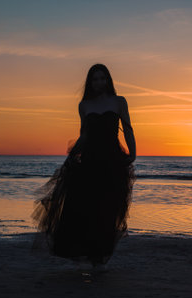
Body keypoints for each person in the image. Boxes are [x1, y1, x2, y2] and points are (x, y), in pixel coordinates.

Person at [30, 63, 136, 271]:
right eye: (95, 79)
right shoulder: (84, 105)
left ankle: (99, 258)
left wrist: (132, 153)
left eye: (102, 78)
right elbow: (85, 135)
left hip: (112, 160)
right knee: (87, 209)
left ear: (108, 80)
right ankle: (90, 254)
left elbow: (128, 129)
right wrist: (72, 154)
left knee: (108, 209)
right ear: (90, 82)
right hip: (89, 161)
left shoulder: (119, 102)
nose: (99, 82)